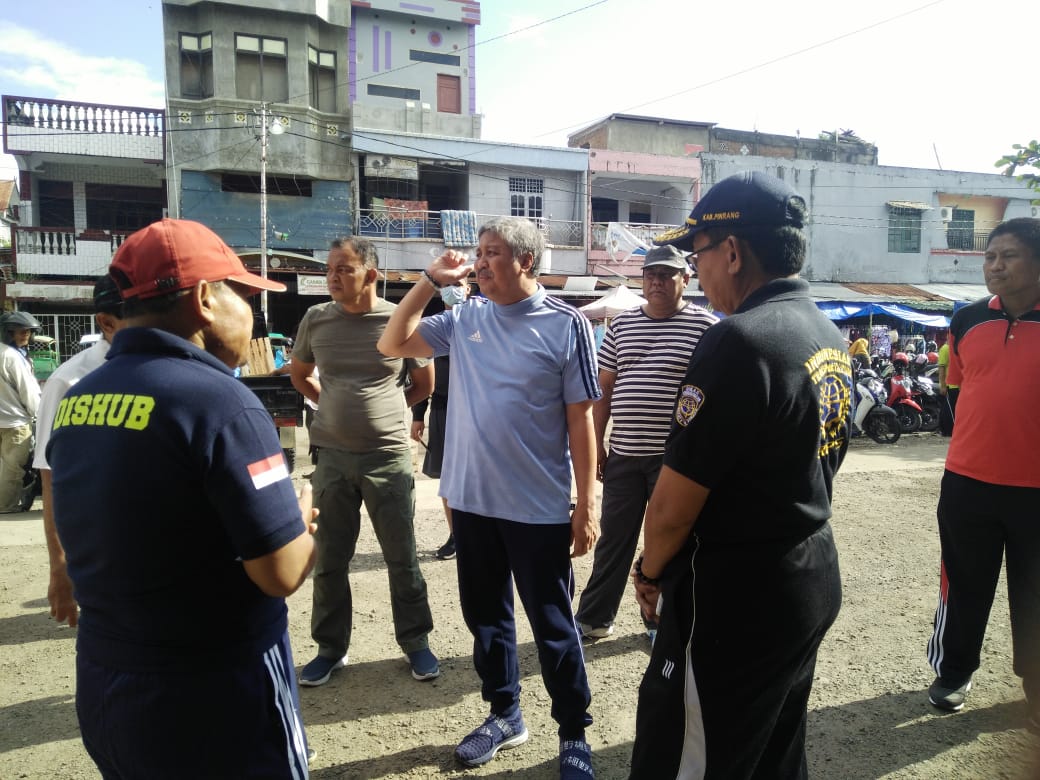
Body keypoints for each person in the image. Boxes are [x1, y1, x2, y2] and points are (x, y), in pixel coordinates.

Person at [46, 218, 317, 778]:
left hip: (107, 681)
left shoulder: (82, 395)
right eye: (242, 293)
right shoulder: (221, 401)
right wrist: (304, 523)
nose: (252, 312)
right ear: (204, 300)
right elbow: (281, 573)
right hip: (215, 694)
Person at [629, 171, 852, 778]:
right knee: (772, 753)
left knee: (691, 757)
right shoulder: (825, 333)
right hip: (806, 572)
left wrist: (649, 572)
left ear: (731, 252)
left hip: (736, 598)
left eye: (696, 254)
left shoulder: (740, 342)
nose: (694, 270)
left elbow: (674, 505)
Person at [378, 216, 600, 779]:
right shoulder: (466, 318)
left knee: (552, 625)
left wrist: (588, 504)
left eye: (491, 252)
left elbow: (581, 424)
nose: (479, 262)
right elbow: (392, 341)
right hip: (472, 503)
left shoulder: (565, 324)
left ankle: (573, 733)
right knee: (487, 621)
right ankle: (505, 715)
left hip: (537, 508)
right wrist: (428, 281)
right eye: (478, 252)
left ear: (525, 260)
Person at [290, 236, 438, 686]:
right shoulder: (315, 319)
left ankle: (417, 643)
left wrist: (388, 415)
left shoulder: (399, 319)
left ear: (370, 274)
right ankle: (330, 648)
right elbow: (300, 375)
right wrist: (332, 406)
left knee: (402, 556)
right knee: (330, 558)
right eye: (329, 270)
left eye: (343, 269)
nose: (332, 277)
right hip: (331, 457)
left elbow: (424, 383)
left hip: (388, 457)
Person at [925, 217, 1040, 735]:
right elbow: (958, 387)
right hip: (967, 481)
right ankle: (954, 672)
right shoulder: (966, 319)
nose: (995, 265)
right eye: (990, 256)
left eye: (1008, 256)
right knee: (963, 581)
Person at [575, 245, 717, 641]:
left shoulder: (705, 328)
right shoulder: (621, 326)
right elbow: (604, 390)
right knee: (614, 540)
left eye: (667, 275)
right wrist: (598, 443)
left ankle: (662, 621)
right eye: (650, 274)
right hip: (623, 454)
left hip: (675, 462)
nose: (656, 281)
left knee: (669, 541)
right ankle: (594, 617)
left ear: (685, 280)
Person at [34, 276, 126, 626]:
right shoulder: (69, 382)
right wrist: (60, 566)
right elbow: (51, 479)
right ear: (106, 323)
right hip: (101, 553)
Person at [410, 279, 470, 561]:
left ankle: (478, 532)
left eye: (458, 283)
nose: (453, 289)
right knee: (447, 476)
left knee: (474, 474)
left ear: (469, 288)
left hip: (475, 409)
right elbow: (421, 371)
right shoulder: (432, 327)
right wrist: (418, 415)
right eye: (446, 284)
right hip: (442, 408)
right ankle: (456, 535)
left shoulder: (479, 322)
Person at [0, 311, 42, 513]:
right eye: (19, 331)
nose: (25, 334)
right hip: (15, 422)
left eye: (28, 331)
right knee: (13, 468)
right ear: (8, 333)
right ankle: (6, 506)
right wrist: (40, 416)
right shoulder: (11, 356)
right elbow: (29, 392)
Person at [936, 332, 958, 437]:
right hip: (950, 385)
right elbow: (941, 369)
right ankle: (948, 431)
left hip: (959, 385)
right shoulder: (945, 349)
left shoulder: (958, 348)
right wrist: (943, 385)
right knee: (948, 409)